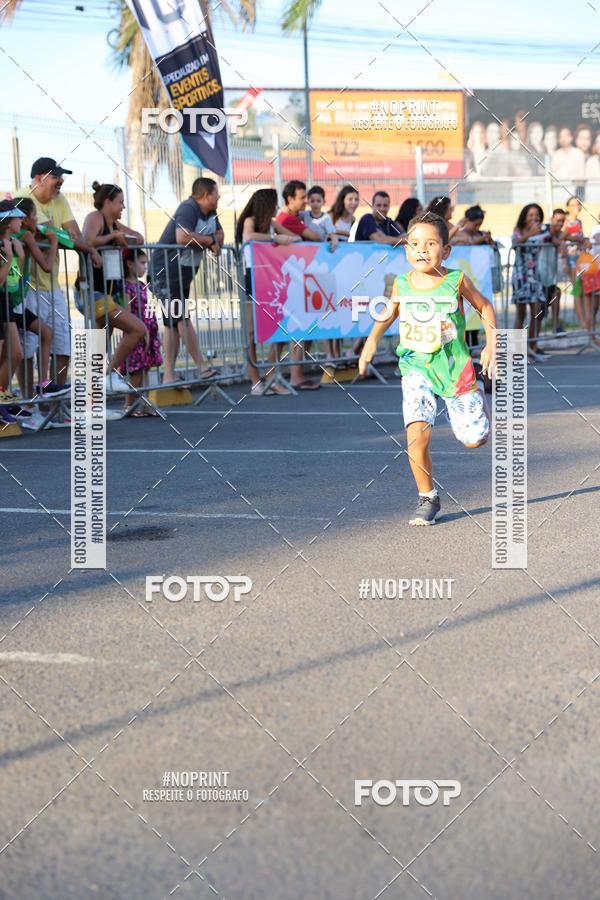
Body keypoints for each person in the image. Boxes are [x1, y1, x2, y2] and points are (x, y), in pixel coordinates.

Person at [358, 211, 496, 526]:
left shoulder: (455, 279)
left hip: (454, 367)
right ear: (405, 248)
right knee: (416, 436)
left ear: (445, 251)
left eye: (430, 243)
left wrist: (492, 345)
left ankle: (480, 396)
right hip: (416, 366)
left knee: (475, 440)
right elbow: (388, 315)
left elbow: (485, 306)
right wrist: (370, 343)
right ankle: (427, 497)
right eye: (414, 243)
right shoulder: (403, 283)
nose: (421, 250)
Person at [14, 157, 102, 387]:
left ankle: (56, 402)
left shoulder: (59, 199)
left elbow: (72, 234)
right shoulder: (22, 197)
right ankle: (31, 406)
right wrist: (87, 248)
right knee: (27, 347)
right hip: (27, 288)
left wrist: (73, 241)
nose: (61, 180)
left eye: (61, 176)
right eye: (55, 176)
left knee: (63, 344)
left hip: (52, 287)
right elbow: (55, 235)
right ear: (38, 179)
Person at [149, 177, 223, 385]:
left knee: (172, 324)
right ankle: (201, 367)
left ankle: (169, 375)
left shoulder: (210, 213)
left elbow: (221, 235)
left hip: (183, 273)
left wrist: (212, 240)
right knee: (181, 319)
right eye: (217, 194)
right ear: (206, 195)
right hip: (165, 272)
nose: (219, 198)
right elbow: (182, 237)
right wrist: (209, 241)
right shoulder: (188, 208)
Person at [82, 182, 148, 393]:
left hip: (107, 293)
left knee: (100, 343)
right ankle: (108, 376)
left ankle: (93, 391)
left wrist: (120, 235)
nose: (123, 207)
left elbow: (139, 238)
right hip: (92, 291)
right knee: (137, 329)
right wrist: (113, 237)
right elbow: (88, 239)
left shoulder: (115, 225)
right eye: (120, 203)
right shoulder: (95, 217)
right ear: (108, 202)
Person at [235, 187, 301, 395]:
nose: (277, 207)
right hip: (252, 278)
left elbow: (294, 237)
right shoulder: (250, 220)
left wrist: (283, 237)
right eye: (274, 203)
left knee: (274, 327)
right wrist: (274, 239)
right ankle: (255, 380)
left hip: (269, 280)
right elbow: (248, 236)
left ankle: (273, 377)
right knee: (252, 332)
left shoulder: (271, 223)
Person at [275, 180, 324, 390]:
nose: (306, 201)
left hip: (298, 277)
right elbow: (316, 236)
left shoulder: (294, 217)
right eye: (302, 197)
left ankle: (296, 373)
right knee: (296, 326)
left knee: (303, 325)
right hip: (290, 279)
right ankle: (294, 375)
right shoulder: (286, 218)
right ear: (290, 199)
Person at [119, 249, 163, 415]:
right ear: (130, 264)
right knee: (136, 370)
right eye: (142, 263)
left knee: (146, 368)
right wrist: (140, 330)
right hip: (137, 333)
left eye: (146, 263)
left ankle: (144, 402)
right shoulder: (126, 287)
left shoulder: (142, 285)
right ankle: (129, 404)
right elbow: (127, 313)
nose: (145, 267)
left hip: (148, 332)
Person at [511, 203, 548, 362]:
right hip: (521, 275)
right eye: (531, 215)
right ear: (524, 216)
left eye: (537, 215)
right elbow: (515, 244)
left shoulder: (543, 231)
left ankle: (532, 347)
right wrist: (530, 234)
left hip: (535, 276)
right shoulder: (518, 231)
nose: (535, 218)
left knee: (536, 314)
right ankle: (517, 351)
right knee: (521, 314)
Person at [0, 204, 26, 424]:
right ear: (8, 221)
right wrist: (9, 257)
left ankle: (3, 397)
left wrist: (20, 255)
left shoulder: (11, 243)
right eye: (19, 217)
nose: (23, 220)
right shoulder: (2, 245)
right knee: (7, 354)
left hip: (7, 300)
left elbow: (15, 280)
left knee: (14, 353)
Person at [541, 208, 567, 334]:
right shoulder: (544, 229)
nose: (560, 223)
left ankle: (556, 326)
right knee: (533, 312)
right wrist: (561, 242)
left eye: (562, 221)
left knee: (556, 293)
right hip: (536, 277)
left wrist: (581, 240)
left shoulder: (559, 233)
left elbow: (569, 237)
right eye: (557, 220)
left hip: (548, 277)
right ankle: (519, 346)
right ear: (551, 219)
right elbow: (551, 239)